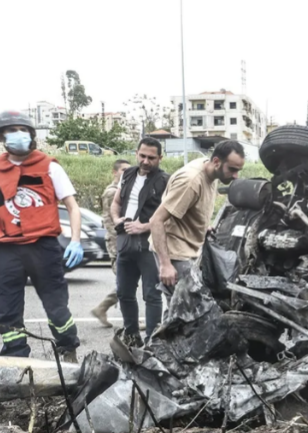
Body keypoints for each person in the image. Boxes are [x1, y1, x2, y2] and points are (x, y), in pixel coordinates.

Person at [0, 111, 85, 361]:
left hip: (43, 246)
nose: (17, 135)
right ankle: (16, 356)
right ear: (1, 137)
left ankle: (68, 348)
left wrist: (75, 241)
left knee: (56, 305)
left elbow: (72, 206)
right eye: (11, 131)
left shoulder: (49, 166)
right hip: (7, 248)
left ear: (31, 134)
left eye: (22, 129)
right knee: (7, 308)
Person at [149, 140, 244, 297]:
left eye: (238, 170)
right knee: (190, 309)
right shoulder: (191, 181)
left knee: (178, 310)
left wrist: (202, 226)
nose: (236, 176)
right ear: (216, 162)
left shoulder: (210, 171)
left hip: (188, 248)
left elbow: (190, 207)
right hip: (175, 252)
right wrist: (165, 265)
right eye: (232, 169)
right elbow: (156, 221)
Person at [110, 139, 169, 346]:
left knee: (152, 295)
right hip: (125, 243)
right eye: (142, 156)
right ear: (136, 153)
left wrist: (143, 226)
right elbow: (116, 203)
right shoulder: (127, 174)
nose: (145, 161)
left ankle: (152, 342)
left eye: (151, 158)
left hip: (150, 245)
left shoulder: (165, 181)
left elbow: (169, 215)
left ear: (160, 158)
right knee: (124, 293)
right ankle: (131, 336)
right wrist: (117, 220)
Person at [90, 159, 130, 327]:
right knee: (125, 281)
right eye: (123, 170)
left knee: (127, 281)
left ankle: (105, 309)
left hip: (122, 241)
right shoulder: (111, 192)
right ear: (114, 172)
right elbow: (110, 221)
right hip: (116, 242)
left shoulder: (123, 190)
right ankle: (105, 309)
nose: (126, 173)